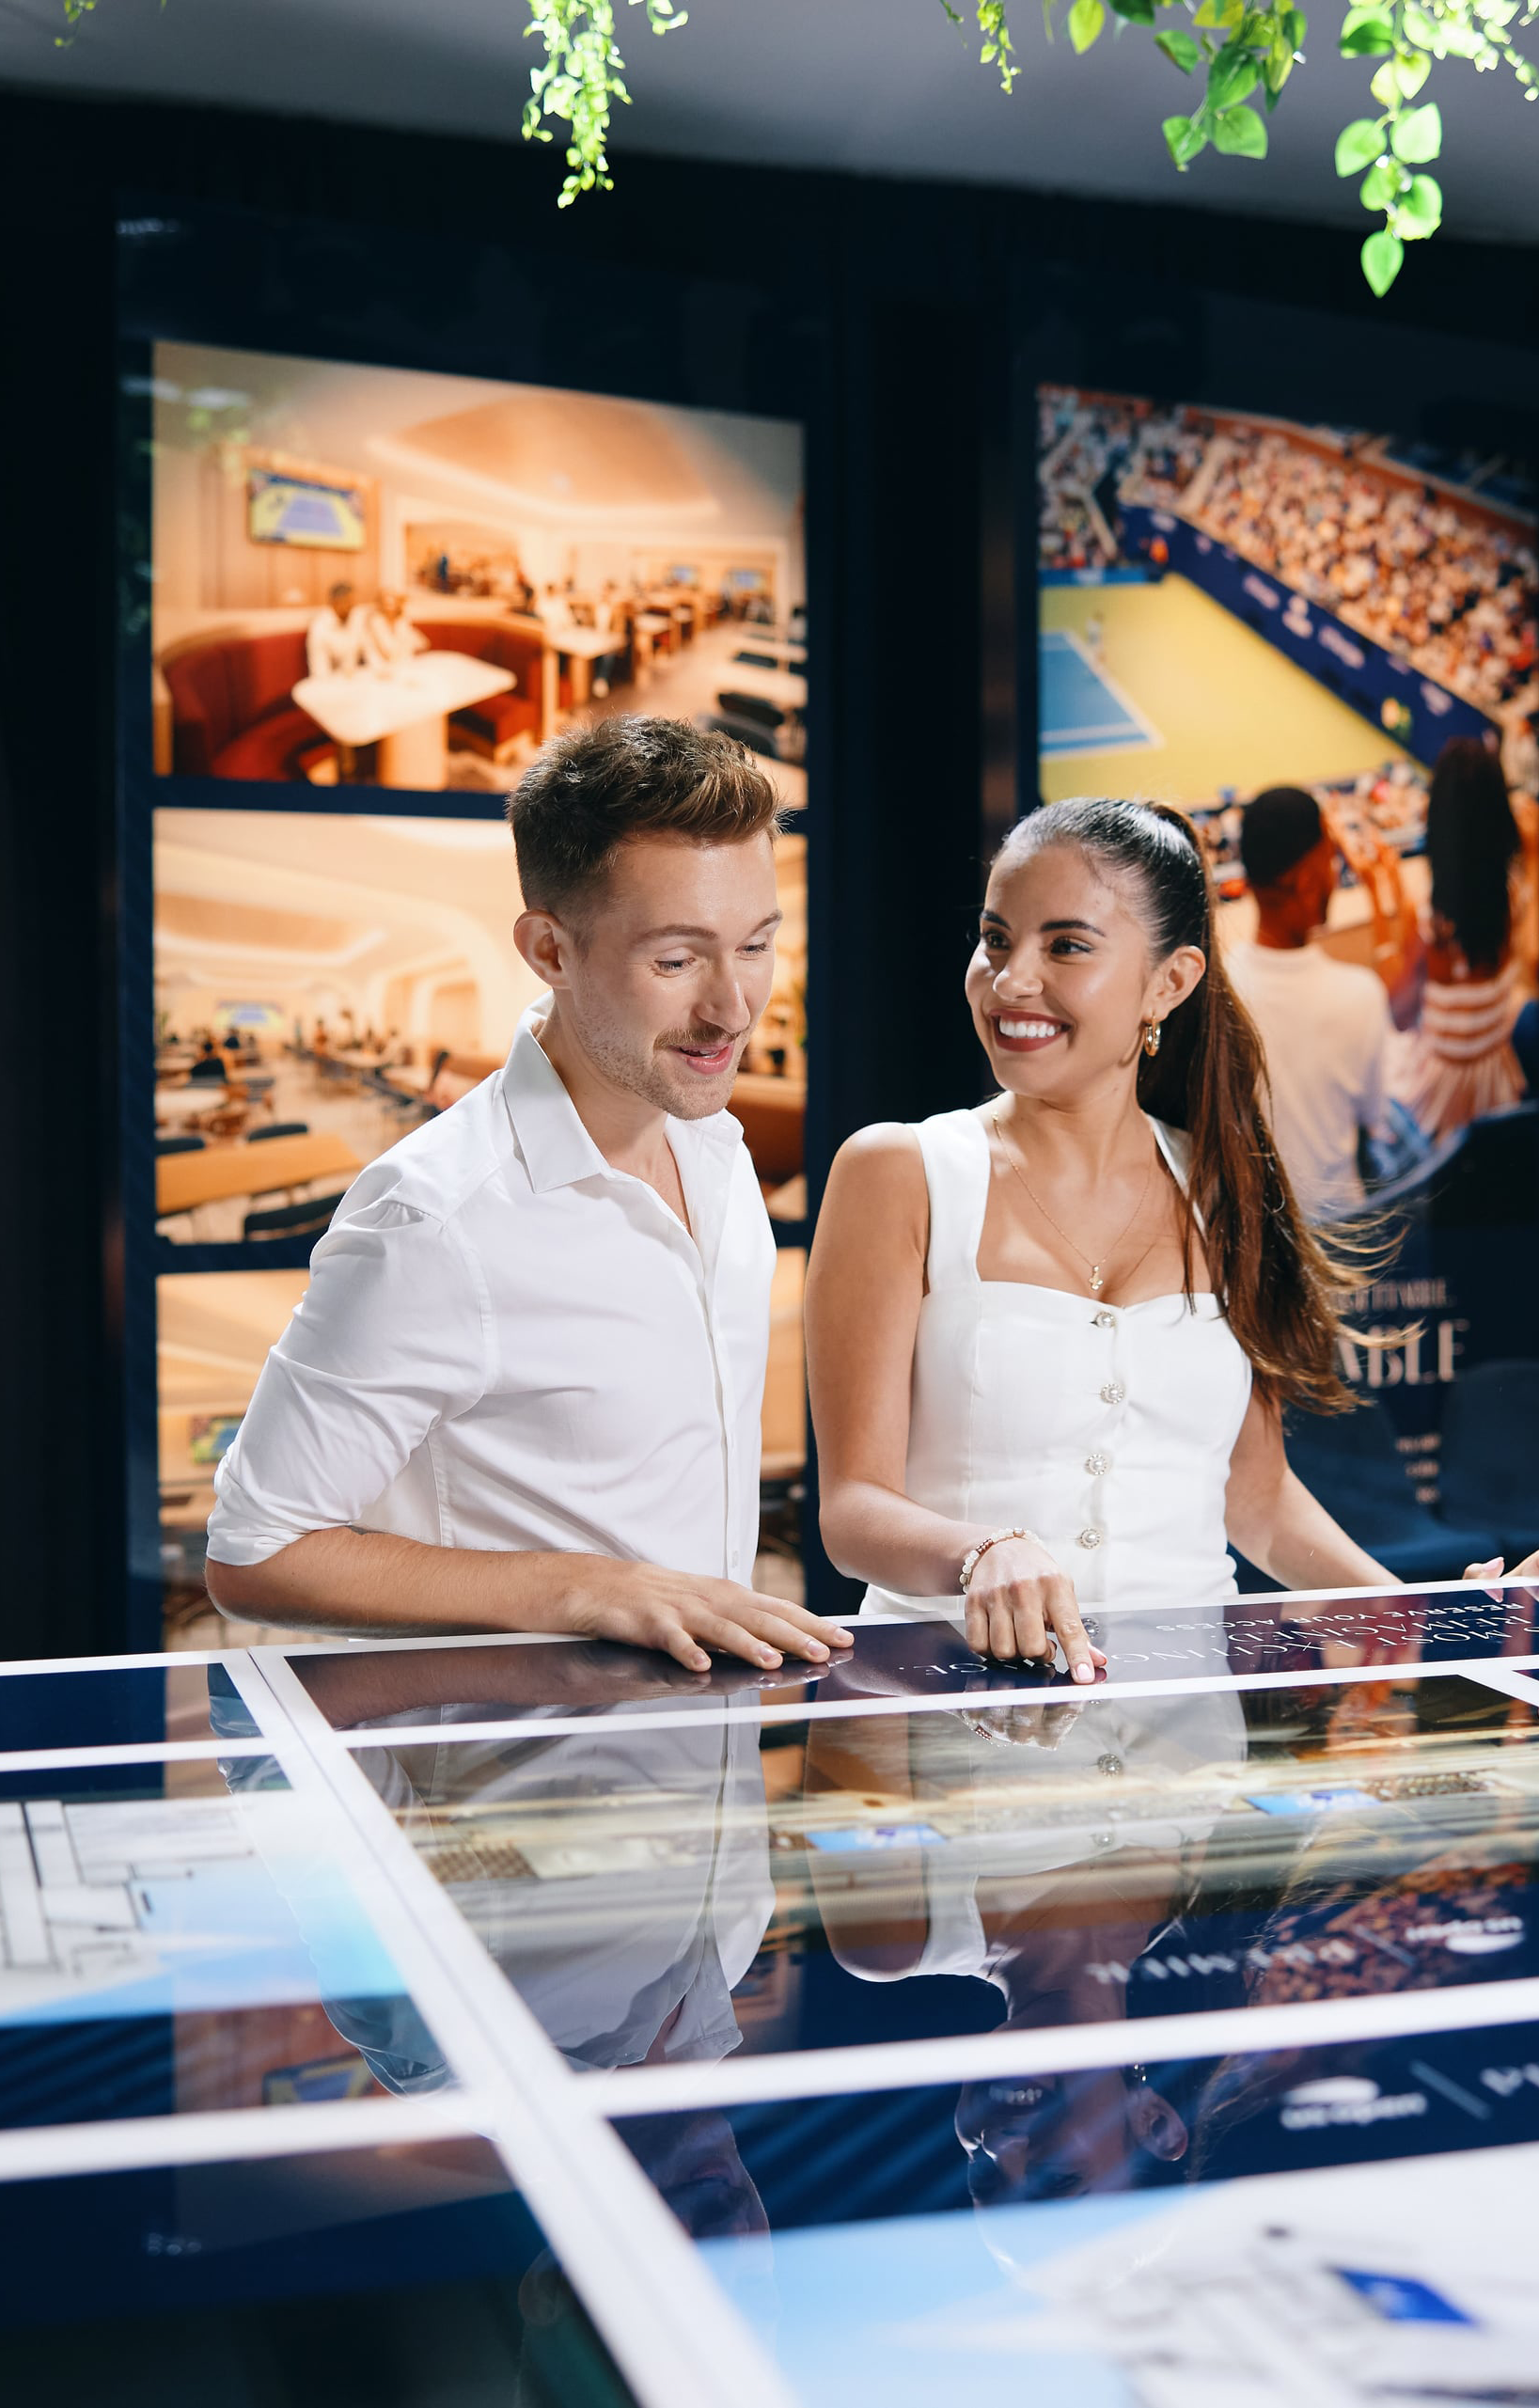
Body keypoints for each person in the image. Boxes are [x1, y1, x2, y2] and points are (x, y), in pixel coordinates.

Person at [805, 794, 1509, 1676]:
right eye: (994, 939)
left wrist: (1419, 1615)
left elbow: (1255, 1500)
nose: (1010, 978)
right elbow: (852, 1509)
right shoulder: (894, 1171)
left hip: (1186, 1736)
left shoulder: (1228, 1189)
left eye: (1065, 945)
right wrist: (980, 1553)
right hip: (939, 1711)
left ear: (1169, 982)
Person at [204, 716, 850, 1676]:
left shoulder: (716, 1154)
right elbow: (256, 1549)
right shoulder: (433, 1219)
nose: (731, 1005)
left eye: (754, 944)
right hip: (508, 1796)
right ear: (549, 949)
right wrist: (586, 1586)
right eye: (676, 960)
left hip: (695, 1778)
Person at [1225, 785, 1394, 1220]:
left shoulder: (1215, 991)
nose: (1336, 874)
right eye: (1330, 858)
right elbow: (1376, 1118)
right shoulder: (1360, 995)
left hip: (1253, 1234)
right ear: (1305, 881)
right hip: (1342, 1233)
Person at [1391, 736, 1529, 1139]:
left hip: (1437, 1093)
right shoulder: (1516, 894)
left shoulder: (1430, 919)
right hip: (1494, 1075)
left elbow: (1400, 1016)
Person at [306, 581, 367, 679]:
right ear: (335, 603)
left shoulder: (355, 617)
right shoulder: (320, 628)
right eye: (349, 602)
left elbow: (366, 648)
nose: (353, 606)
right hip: (332, 682)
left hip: (354, 678)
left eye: (353, 602)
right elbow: (320, 671)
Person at [363, 590, 429, 669]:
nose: (390, 608)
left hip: (401, 663)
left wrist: (402, 663)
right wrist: (384, 666)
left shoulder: (402, 621)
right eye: (386, 604)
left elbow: (409, 645)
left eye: (393, 604)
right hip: (380, 664)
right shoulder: (376, 622)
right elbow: (374, 649)